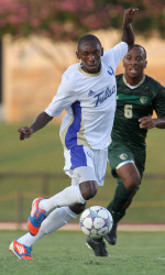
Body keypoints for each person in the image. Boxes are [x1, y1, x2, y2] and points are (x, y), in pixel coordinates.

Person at [9, 7, 138, 260]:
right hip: (78, 140)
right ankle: (42, 205)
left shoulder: (110, 61)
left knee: (77, 204)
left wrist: (126, 23)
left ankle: (24, 243)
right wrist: (31, 129)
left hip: (100, 143)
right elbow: (50, 111)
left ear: (101, 51)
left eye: (95, 52)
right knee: (88, 190)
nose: (92, 58)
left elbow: (127, 43)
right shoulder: (72, 81)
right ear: (78, 55)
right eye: (86, 54)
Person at [102, 44, 165, 247]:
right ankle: (108, 221)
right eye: (129, 58)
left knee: (131, 188)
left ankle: (99, 235)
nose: (133, 62)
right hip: (115, 141)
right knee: (131, 180)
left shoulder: (155, 89)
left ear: (145, 63)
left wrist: (155, 122)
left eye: (138, 59)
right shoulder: (112, 83)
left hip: (138, 145)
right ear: (123, 62)